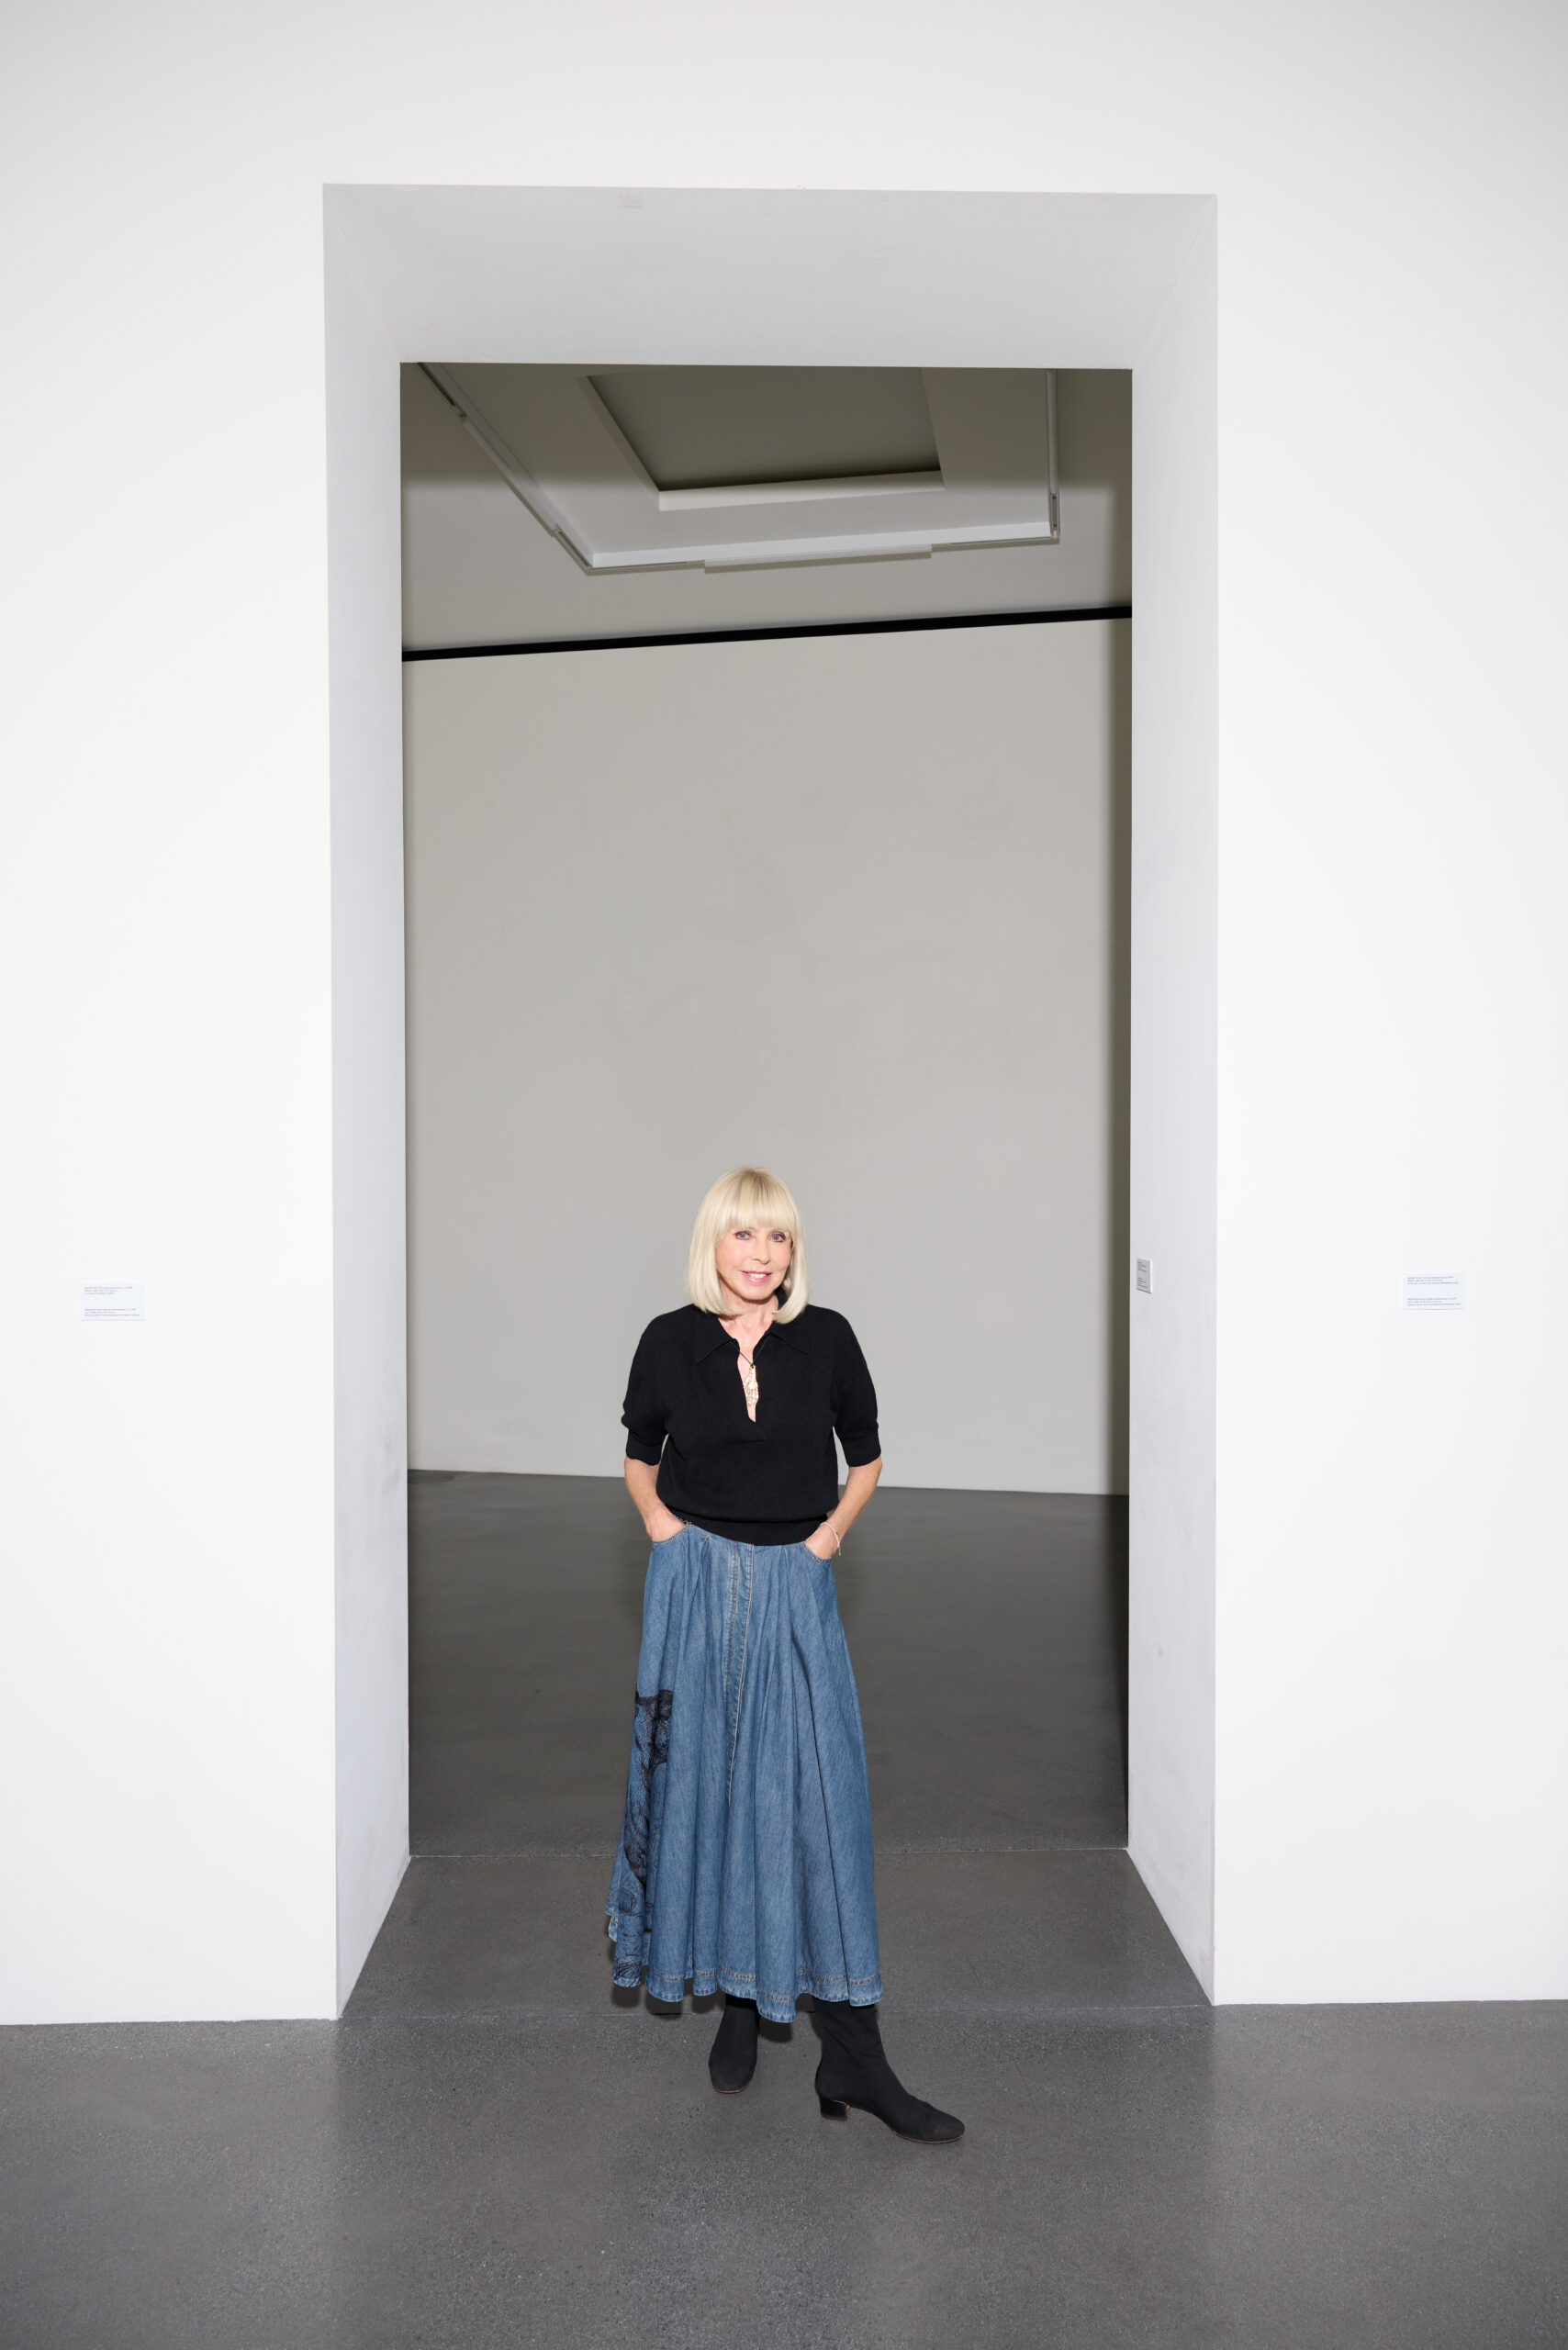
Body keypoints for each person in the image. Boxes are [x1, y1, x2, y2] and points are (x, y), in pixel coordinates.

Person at [606, 1166, 963, 2144]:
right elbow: (640, 1456)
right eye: (743, 1234)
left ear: (793, 1251)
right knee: (708, 1791)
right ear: (711, 1243)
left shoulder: (827, 1338)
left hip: (794, 1584)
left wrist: (827, 1539)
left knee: (816, 1802)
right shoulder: (669, 1340)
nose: (761, 1255)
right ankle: (740, 2000)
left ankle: (854, 2053)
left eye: (777, 1237)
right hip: (695, 1583)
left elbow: (867, 1455)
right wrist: (662, 1528)